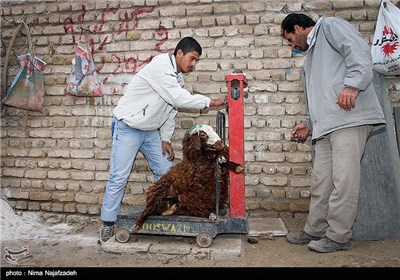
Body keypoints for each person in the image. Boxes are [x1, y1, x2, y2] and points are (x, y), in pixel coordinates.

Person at [99, 37, 227, 242]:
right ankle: (107, 223)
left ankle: (165, 212)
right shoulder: (160, 66)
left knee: (167, 173)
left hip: (150, 132)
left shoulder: (178, 78)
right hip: (128, 127)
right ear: (179, 54)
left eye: (196, 61)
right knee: (119, 177)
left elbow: (171, 109)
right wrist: (211, 102)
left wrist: (165, 139)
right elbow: (177, 98)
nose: (193, 64)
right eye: (192, 59)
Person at [281, 13, 386, 253]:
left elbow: (358, 51)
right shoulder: (311, 60)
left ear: (298, 27)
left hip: (348, 118)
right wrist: (307, 122)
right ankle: (315, 230)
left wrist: (353, 84)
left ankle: (339, 236)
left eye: (290, 39)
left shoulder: (329, 26)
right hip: (326, 126)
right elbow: (318, 97)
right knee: (322, 181)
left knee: (344, 181)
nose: (292, 45)